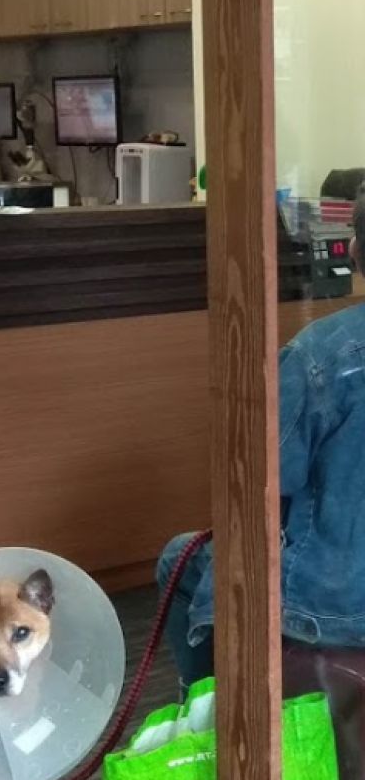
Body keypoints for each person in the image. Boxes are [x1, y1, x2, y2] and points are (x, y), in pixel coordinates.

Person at [159, 187, 365, 695]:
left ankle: (216, 716)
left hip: (333, 610)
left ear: (355, 251)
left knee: (176, 558)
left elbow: (255, 479)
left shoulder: (321, 355)